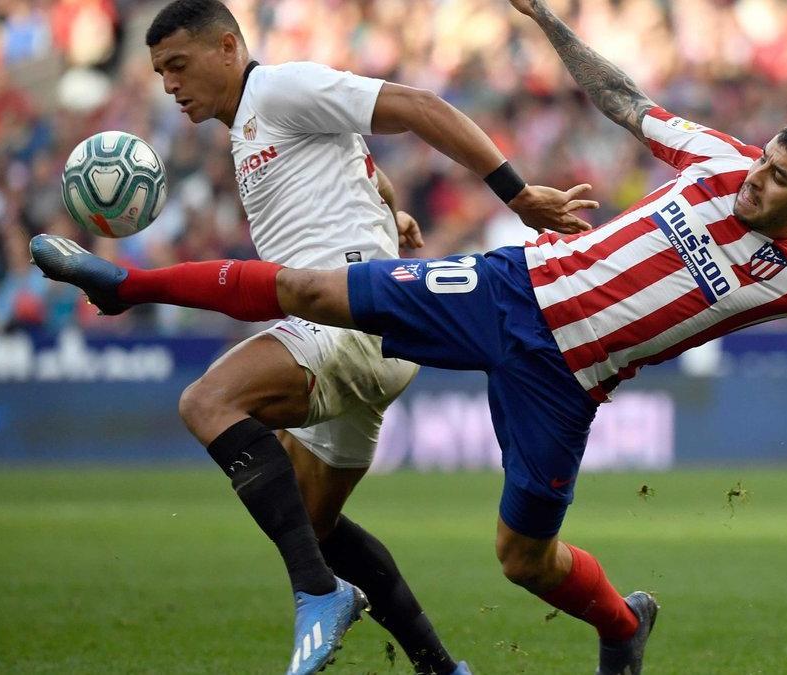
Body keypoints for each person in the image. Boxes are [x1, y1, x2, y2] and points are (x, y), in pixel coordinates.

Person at [33, 1, 787, 672]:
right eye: (764, 163)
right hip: (503, 285)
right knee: (316, 288)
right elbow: (626, 100)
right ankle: (127, 284)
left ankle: (622, 626)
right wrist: (546, 20)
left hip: (566, 382)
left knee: (519, 558)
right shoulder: (718, 162)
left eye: (780, 183)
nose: (757, 182)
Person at [100, 2, 598, 674]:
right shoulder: (254, 126)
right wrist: (391, 209)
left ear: (226, 47)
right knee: (314, 522)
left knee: (208, 403)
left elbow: (420, 106)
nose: (169, 85)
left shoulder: (277, 89)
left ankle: (317, 592)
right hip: (378, 338)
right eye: (160, 72)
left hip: (346, 325)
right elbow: (359, 165)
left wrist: (516, 195)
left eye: (179, 66)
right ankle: (441, 666)